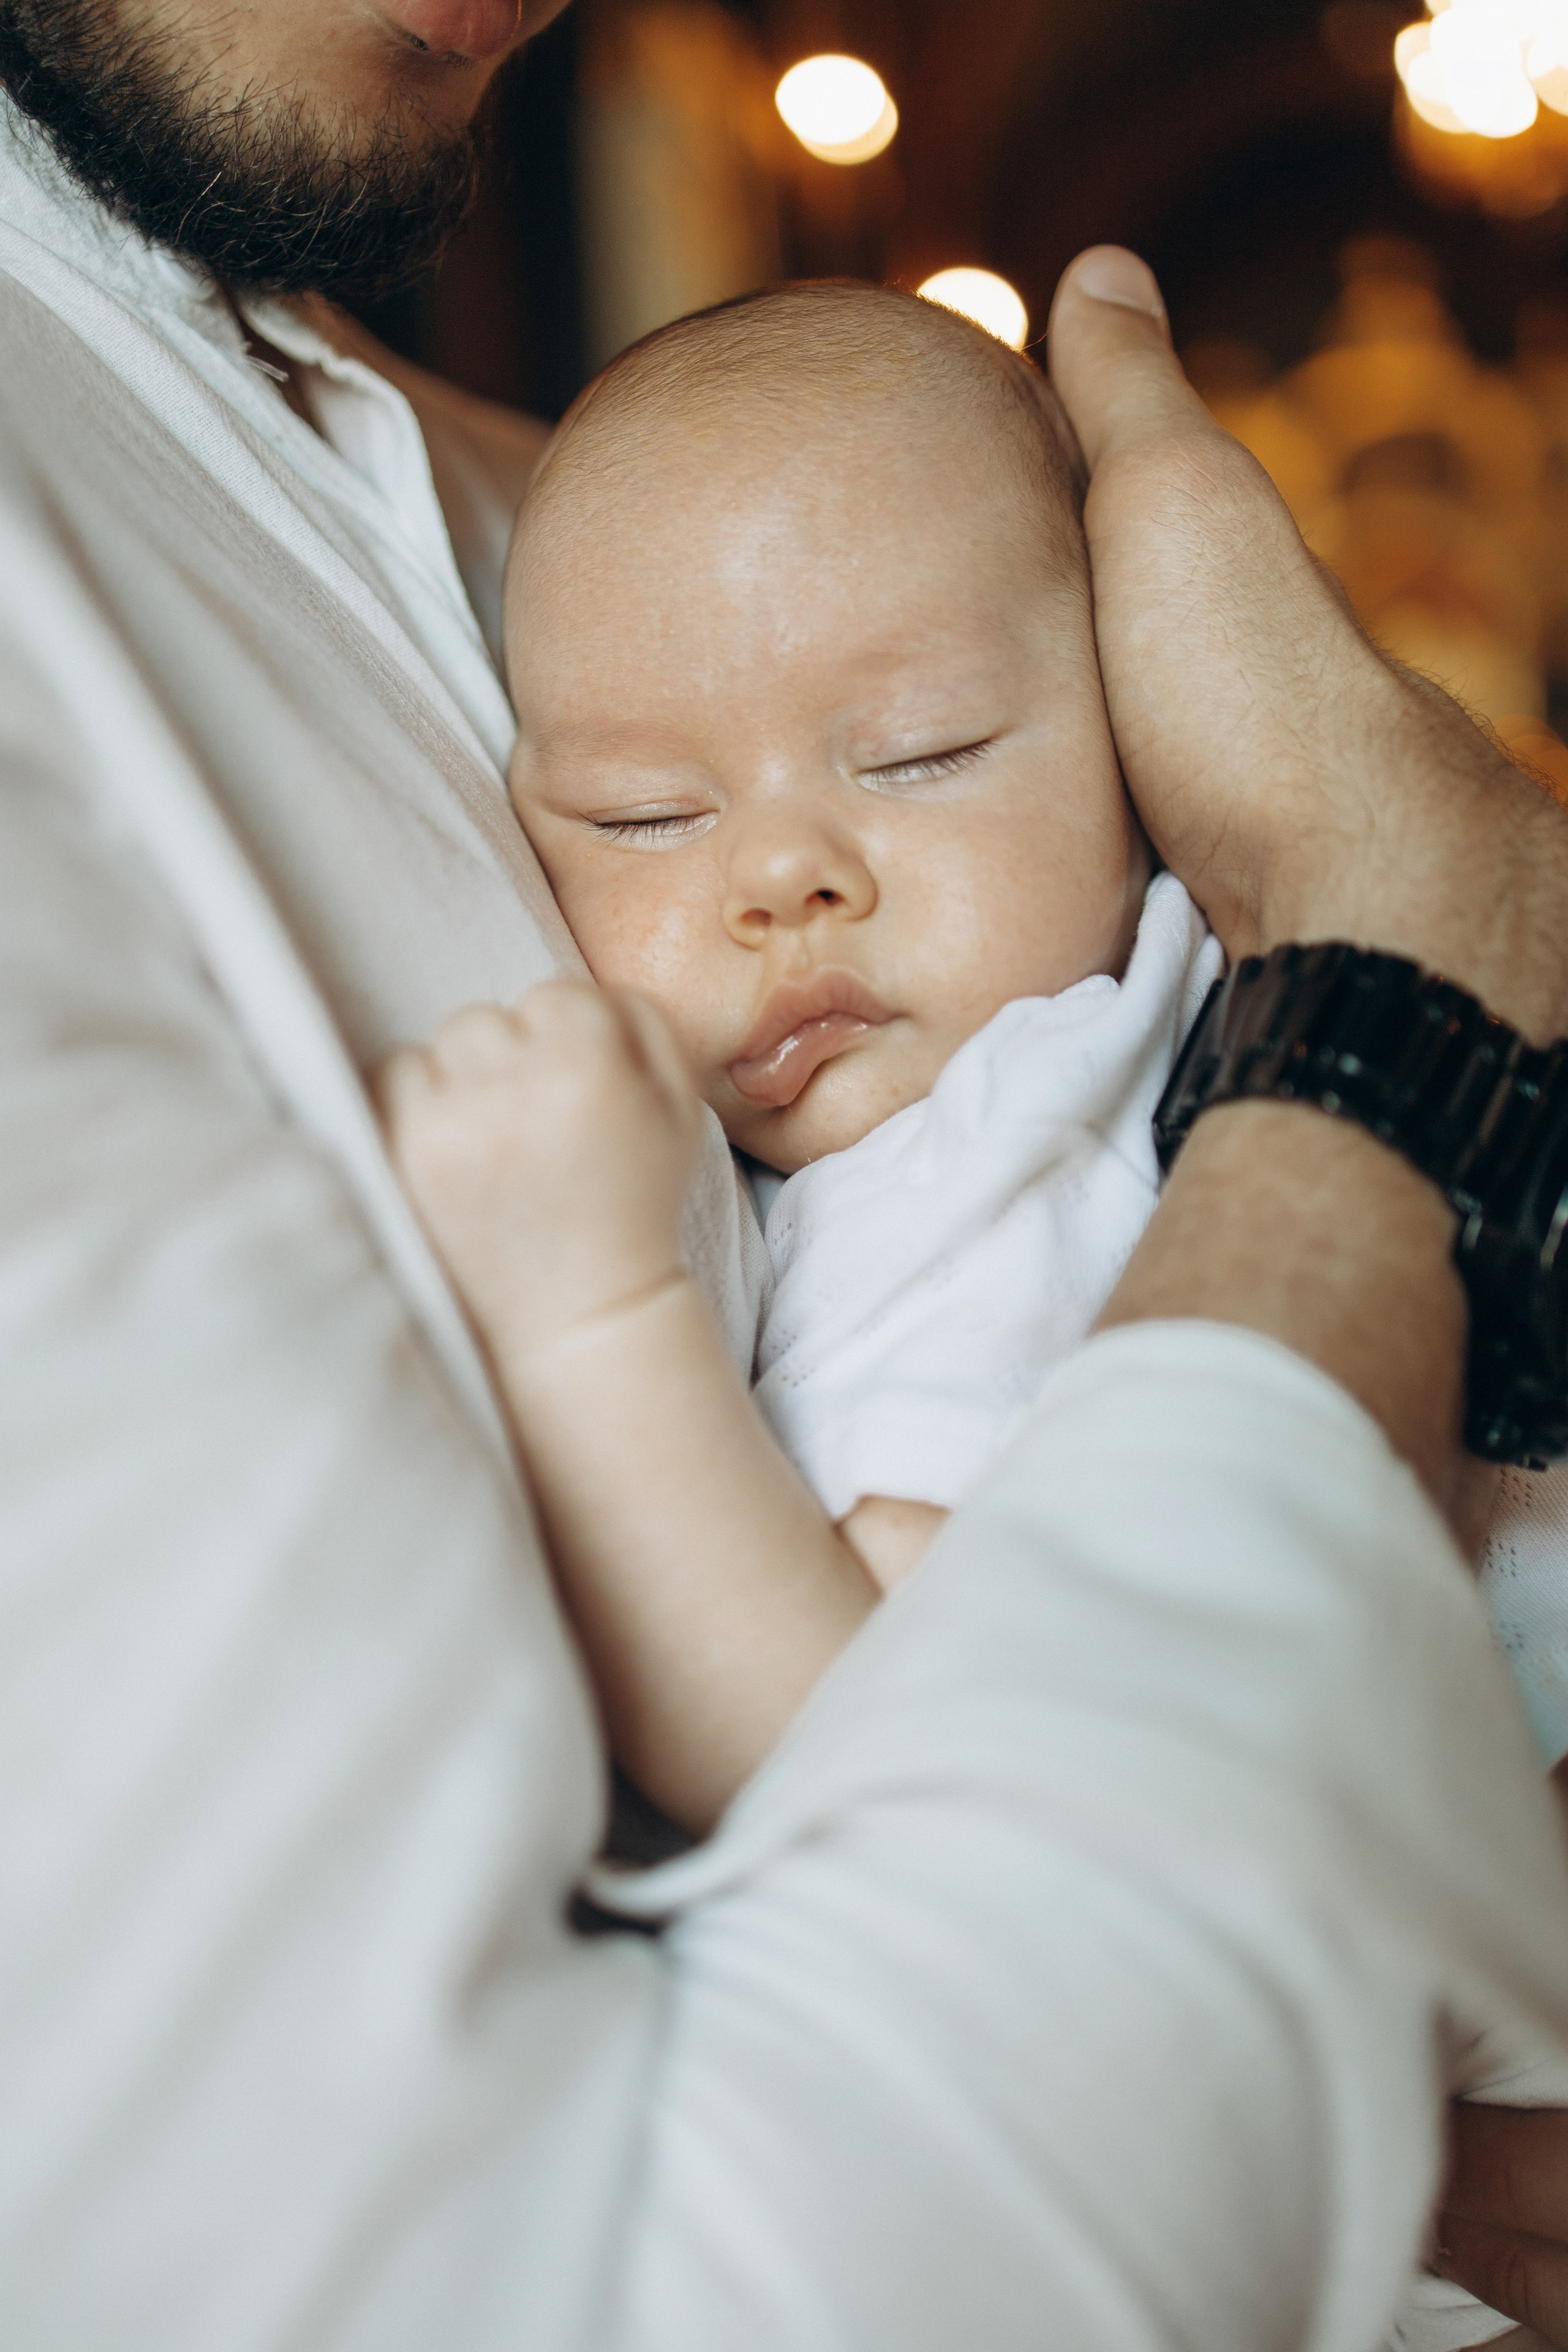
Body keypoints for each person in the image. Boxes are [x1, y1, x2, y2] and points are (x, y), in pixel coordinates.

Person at [4, 8, 1568, 2347]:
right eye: (633, 822)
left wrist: (603, 1335)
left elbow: (844, 1714)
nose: (781, 887)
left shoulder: (1020, 1130)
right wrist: (1408, 972)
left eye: (929, 756)